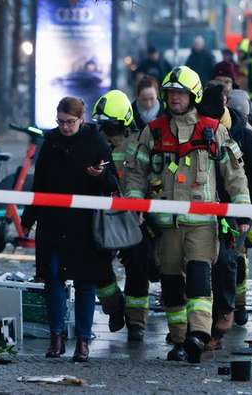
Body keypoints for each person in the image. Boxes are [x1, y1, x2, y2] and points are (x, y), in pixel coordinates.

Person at [126, 66, 250, 363]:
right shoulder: (153, 131)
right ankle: (180, 340)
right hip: (166, 225)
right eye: (170, 93)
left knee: (198, 279)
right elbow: (136, 174)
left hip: (202, 224)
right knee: (170, 284)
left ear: (193, 94)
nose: (175, 98)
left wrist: (243, 212)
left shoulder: (213, 130)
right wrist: (134, 206)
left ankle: (199, 335)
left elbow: (235, 174)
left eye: (180, 93)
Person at [21, 97, 119, 362]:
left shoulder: (95, 142)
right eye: (61, 122)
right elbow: (39, 183)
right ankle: (56, 336)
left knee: (85, 282)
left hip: (84, 225)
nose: (65, 127)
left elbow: (113, 184)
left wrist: (99, 176)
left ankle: (83, 341)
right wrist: (28, 218)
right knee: (53, 280)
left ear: (81, 119)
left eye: (70, 122)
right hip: (52, 222)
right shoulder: (51, 141)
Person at [196, 84, 252, 348]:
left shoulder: (244, 136)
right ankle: (199, 326)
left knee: (227, 262)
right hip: (202, 209)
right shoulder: (199, 129)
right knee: (200, 266)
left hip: (235, 212)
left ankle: (224, 317)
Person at [91, 89, 156, 342]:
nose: (107, 129)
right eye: (103, 124)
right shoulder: (94, 143)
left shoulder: (138, 142)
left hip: (132, 215)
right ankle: (114, 306)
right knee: (96, 266)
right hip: (100, 214)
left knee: (138, 265)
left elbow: (145, 176)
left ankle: (137, 320)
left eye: (111, 125)